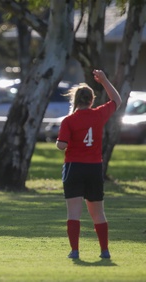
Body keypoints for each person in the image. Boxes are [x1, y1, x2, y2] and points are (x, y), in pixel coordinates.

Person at [56, 69, 122, 259]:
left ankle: (75, 251)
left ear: (75, 100)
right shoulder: (98, 115)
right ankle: (104, 250)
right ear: (91, 100)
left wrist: (57, 142)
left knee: (74, 213)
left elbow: (62, 145)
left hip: (74, 168)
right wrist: (104, 80)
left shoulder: (69, 120)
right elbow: (117, 100)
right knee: (98, 213)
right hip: (94, 168)